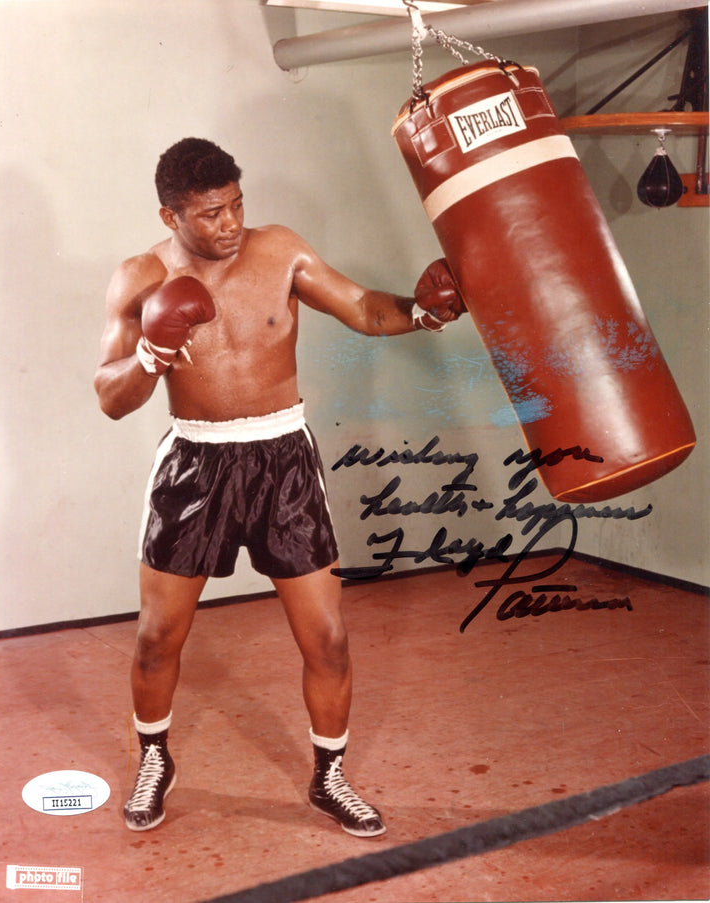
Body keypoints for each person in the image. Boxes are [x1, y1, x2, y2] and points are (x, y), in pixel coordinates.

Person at [94, 137, 464, 838]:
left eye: (236, 204)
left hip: (283, 458)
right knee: (156, 637)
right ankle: (154, 759)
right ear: (170, 215)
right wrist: (150, 351)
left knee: (327, 636)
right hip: (196, 464)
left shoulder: (281, 250)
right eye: (209, 214)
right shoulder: (138, 277)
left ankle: (329, 775)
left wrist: (422, 312)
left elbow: (362, 308)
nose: (230, 223)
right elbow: (111, 396)